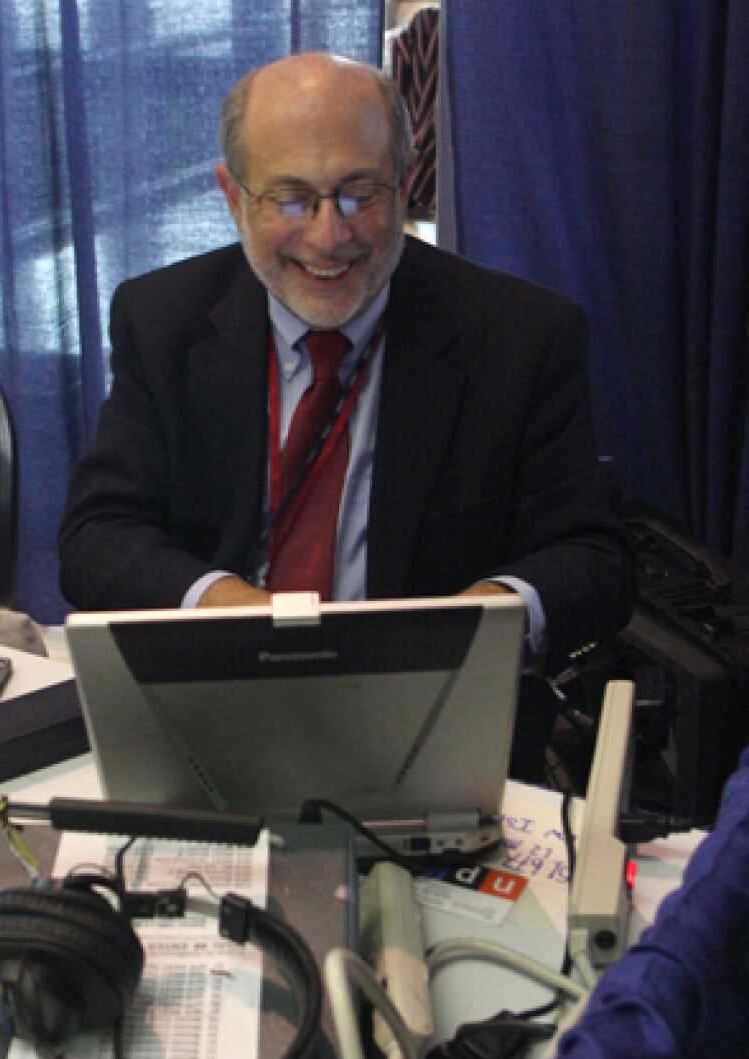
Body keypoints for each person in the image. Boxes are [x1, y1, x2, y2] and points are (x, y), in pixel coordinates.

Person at [58, 52, 634, 778]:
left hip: (435, 729)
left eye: (361, 192)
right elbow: (97, 536)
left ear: (405, 177)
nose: (331, 237)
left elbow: (594, 560)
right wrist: (228, 609)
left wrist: (479, 622)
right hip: (217, 711)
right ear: (233, 198)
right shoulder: (161, 319)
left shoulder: (522, 336)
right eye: (292, 199)